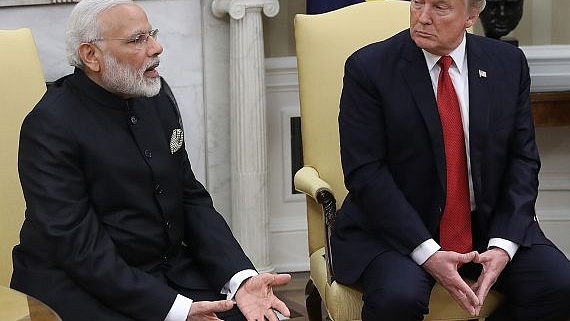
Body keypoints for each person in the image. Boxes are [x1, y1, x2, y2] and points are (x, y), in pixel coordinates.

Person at [10, 0, 291, 320]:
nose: (156, 47)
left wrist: (239, 278)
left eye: (151, 34)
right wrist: (177, 310)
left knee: (263, 315)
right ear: (91, 56)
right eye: (136, 40)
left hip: (168, 270)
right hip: (80, 283)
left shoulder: (154, 93)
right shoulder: (50, 125)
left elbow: (189, 196)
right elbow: (78, 248)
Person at [331, 0, 570, 320]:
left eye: (440, 8)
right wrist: (427, 252)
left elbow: (522, 160)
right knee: (397, 298)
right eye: (418, 3)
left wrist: (502, 245)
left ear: (472, 16)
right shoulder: (369, 67)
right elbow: (366, 173)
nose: (423, 17)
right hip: (393, 231)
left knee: (559, 285)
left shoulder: (507, 63)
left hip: (485, 226)